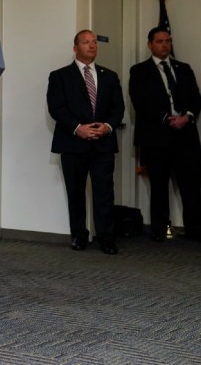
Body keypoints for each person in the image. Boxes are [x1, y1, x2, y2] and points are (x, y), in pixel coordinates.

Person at [47, 30, 125, 254]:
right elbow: (57, 108)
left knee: (104, 191)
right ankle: (79, 235)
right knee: (76, 191)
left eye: (93, 42)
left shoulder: (109, 76)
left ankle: (106, 237)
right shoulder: (59, 76)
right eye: (85, 42)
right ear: (75, 48)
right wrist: (77, 129)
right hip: (72, 143)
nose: (91, 46)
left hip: (103, 143)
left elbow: (118, 108)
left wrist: (107, 127)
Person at [129, 27, 201, 242]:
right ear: (150, 44)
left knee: (190, 184)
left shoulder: (184, 68)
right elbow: (140, 102)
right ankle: (159, 230)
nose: (165, 45)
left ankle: (195, 229)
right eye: (160, 41)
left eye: (168, 41)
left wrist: (186, 117)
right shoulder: (139, 71)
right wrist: (165, 118)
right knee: (159, 185)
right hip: (156, 136)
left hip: (185, 135)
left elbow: (196, 99)